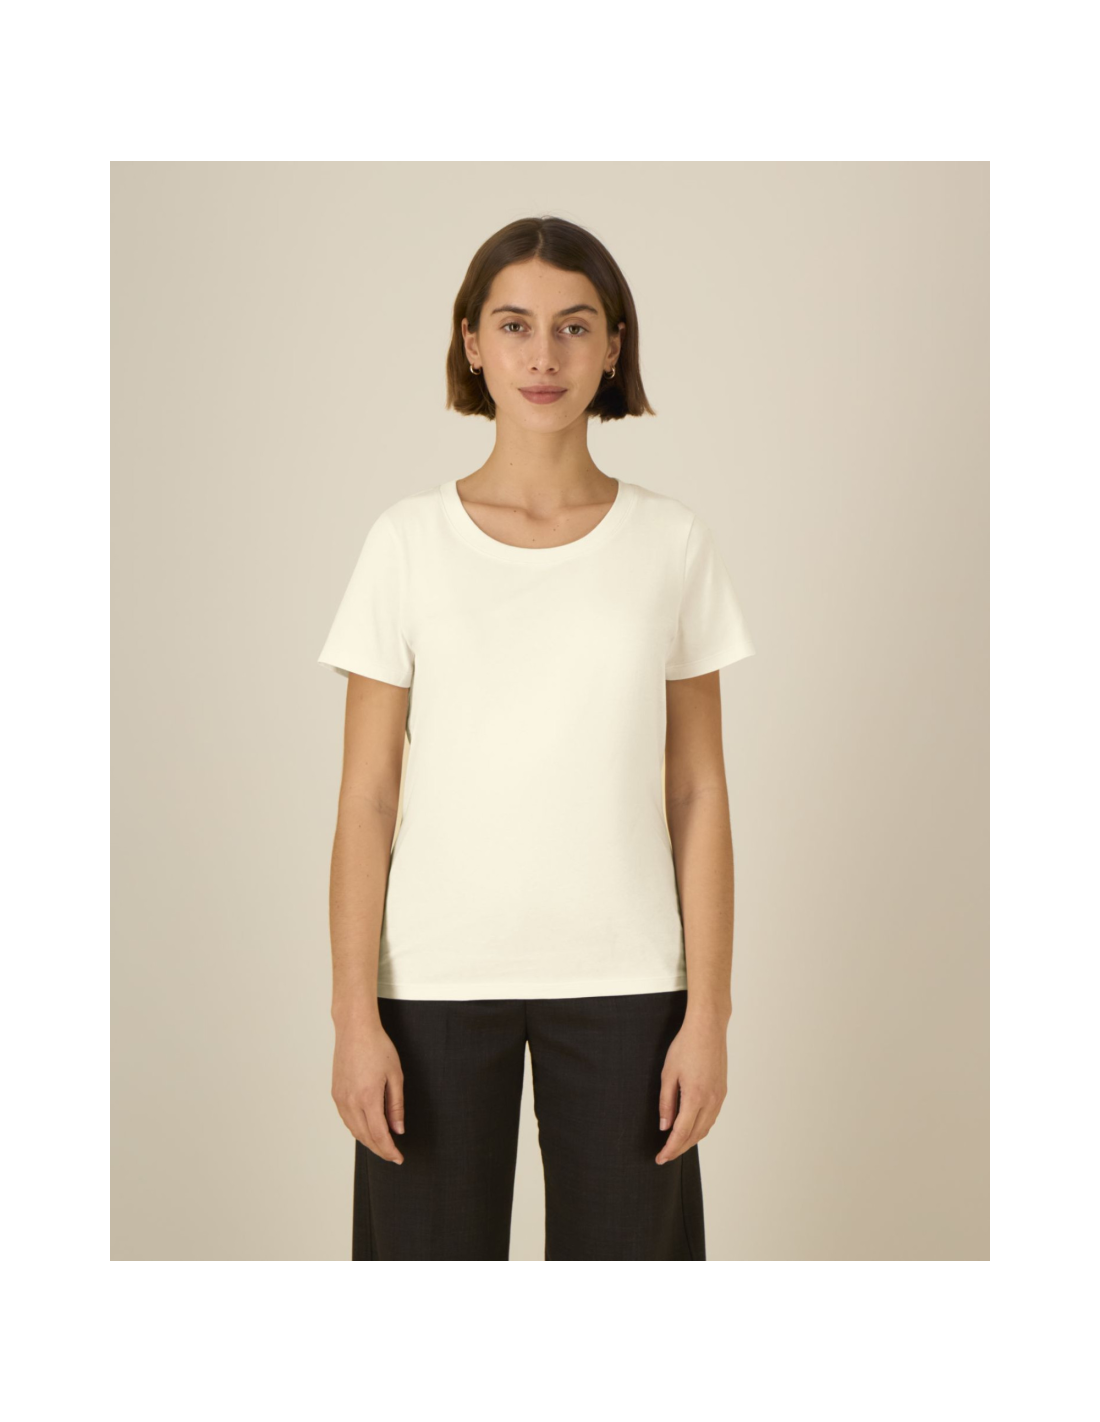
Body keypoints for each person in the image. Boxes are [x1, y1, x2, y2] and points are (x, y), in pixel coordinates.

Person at [318, 215, 756, 1261]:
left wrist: (708, 1017)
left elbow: (697, 793)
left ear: (613, 346)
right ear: (471, 341)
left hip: (628, 984)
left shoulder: (670, 542)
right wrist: (352, 1019)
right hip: (428, 984)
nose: (543, 355)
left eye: (573, 326)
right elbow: (366, 799)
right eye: (514, 325)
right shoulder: (406, 542)